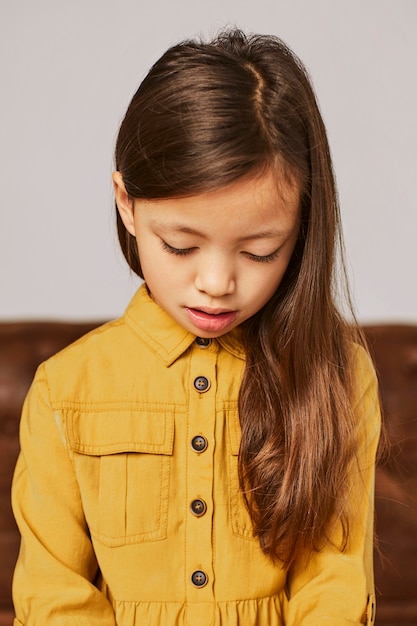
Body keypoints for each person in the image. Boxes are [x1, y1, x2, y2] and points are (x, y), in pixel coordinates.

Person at [12, 28, 381, 626]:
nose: (216, 282)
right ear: (127, 205)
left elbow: (333, 584)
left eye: (259, 251)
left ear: (302, 227)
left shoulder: (337, 373)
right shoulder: (65, 388)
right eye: (181, 245)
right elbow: (53, 593)